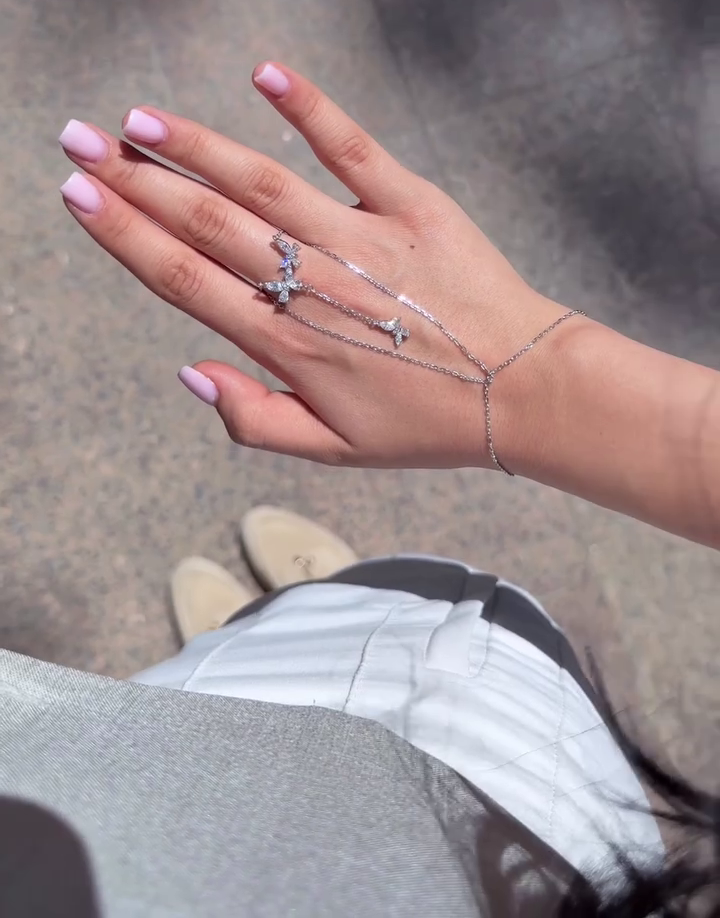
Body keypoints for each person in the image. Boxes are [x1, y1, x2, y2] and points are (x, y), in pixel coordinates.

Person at [1, 63, 716, 917]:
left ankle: (242, 671)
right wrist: (534, 383)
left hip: (146, 829)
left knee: (220, 711)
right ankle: (289, 639)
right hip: (543, 824)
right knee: (423, 628)